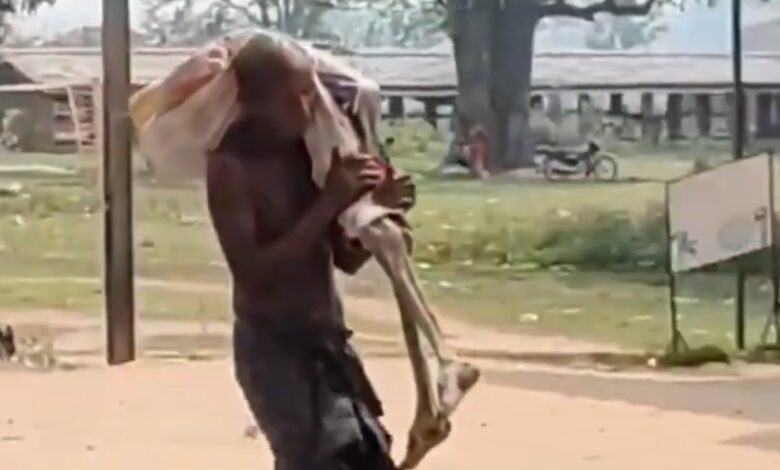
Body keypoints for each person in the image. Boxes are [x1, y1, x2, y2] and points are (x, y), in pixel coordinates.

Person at [206, 37, 414, 470]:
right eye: (294, 97)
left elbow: (345, 259)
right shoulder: (230, 166)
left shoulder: (307, 155)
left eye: (310, 94)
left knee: (369, 458)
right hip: (274, 350)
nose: (308, 108)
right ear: (254, 99)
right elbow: (253, 273)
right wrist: (329, 201)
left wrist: (379, 212)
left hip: (328, 341)